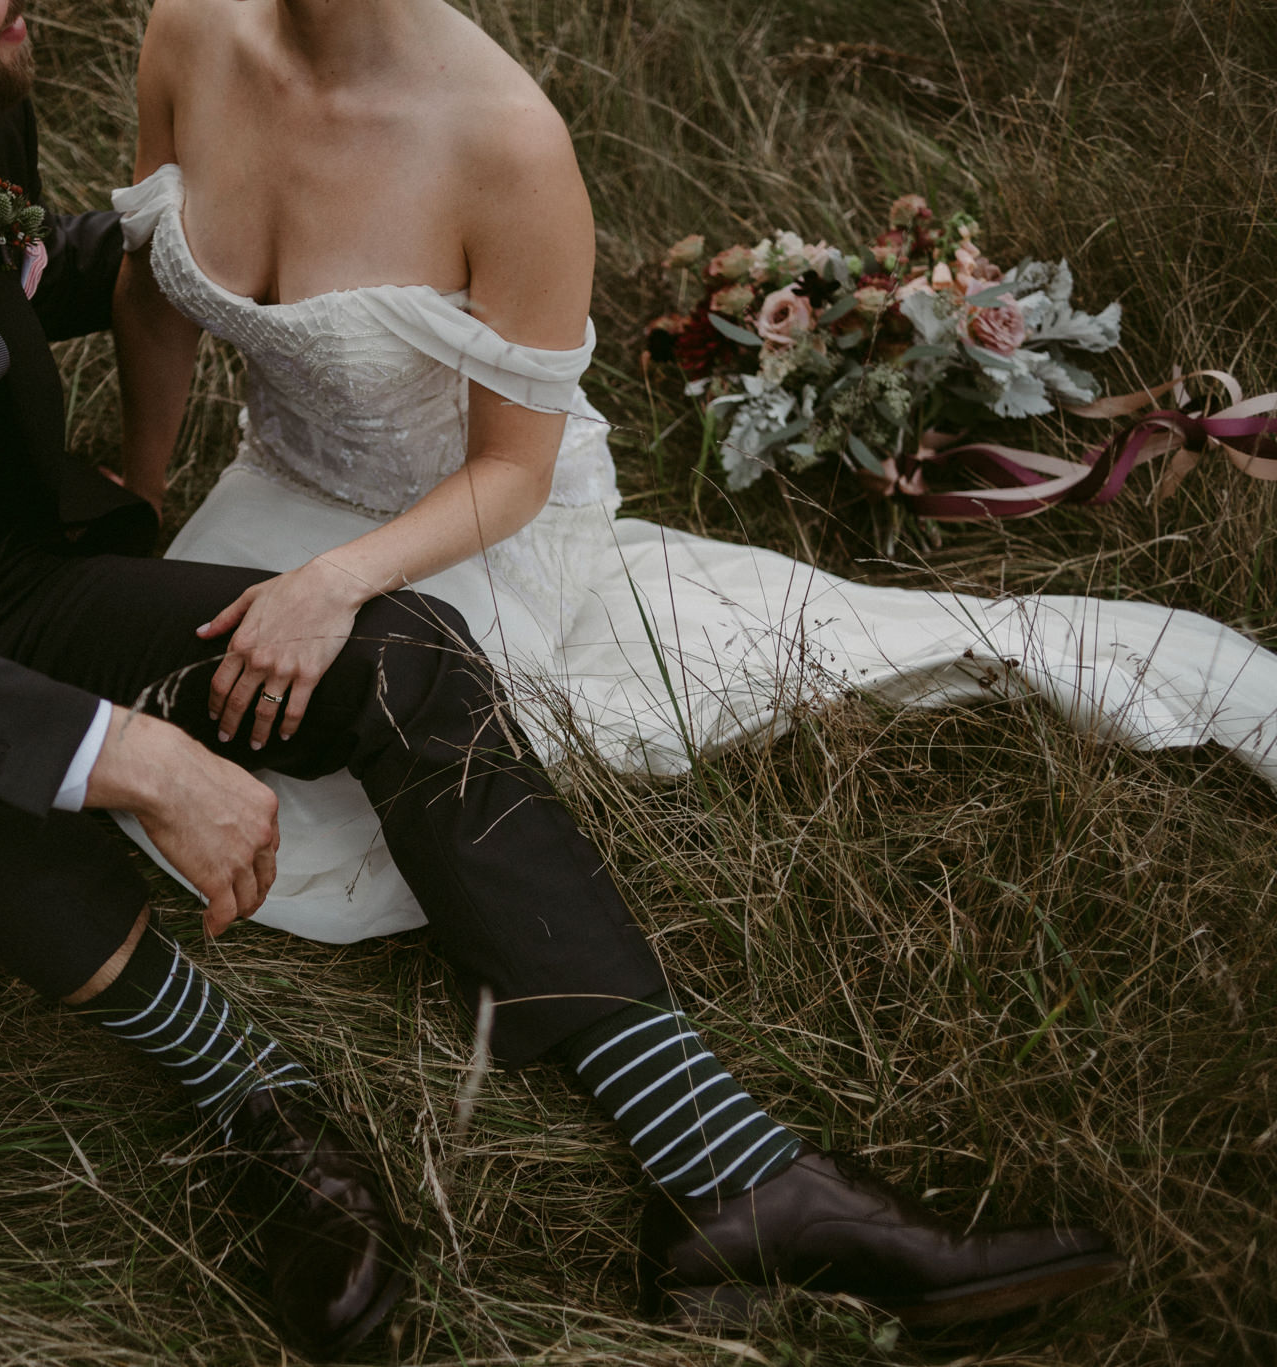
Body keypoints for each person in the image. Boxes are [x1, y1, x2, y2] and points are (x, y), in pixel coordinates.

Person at [0, 0, 1121, 1355]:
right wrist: (125, 753)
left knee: (398, 644)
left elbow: (17, 277)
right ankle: (260, 1107)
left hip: (2, 578)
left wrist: (221, 297)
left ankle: (722, 1168)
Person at [113, 0, 1277, 946]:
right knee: (153, 731)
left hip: (457, 522)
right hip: (280, 482)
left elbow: (512, 469)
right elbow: (153, 304)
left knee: (332, 824)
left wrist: (337, 585)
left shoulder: (505, 142)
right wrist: (137, 498)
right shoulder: (187, 32)